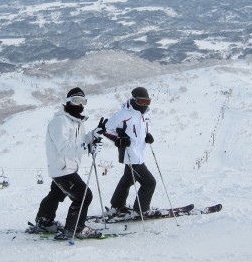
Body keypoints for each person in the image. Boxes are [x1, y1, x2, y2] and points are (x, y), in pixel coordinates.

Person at [35, 87, 105, 239]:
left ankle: (44, 221)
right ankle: (75, 228)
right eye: (75, 101)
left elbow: (78, 142)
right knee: (84, 196)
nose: (79, 105)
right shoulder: (60, 121)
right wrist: (87, 147)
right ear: (68, 102)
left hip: (65, 167)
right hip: (63, 169)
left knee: (56, 193)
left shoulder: (76, 121)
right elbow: (64, 148)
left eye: (82, 101)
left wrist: (93, 135)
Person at [104, 87, 159, 216]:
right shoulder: (123, 114)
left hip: (140, 155)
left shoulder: (147, 114)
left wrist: (147, 135)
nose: (144, 105)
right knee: (149, 183)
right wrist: (119, 140)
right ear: (134, 100)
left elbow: (144, 128)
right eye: (141, 102)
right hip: (130, 155)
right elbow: (105, 129)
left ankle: (117, 205)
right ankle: (141, 210)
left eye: (147, 102)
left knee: (128, 180)